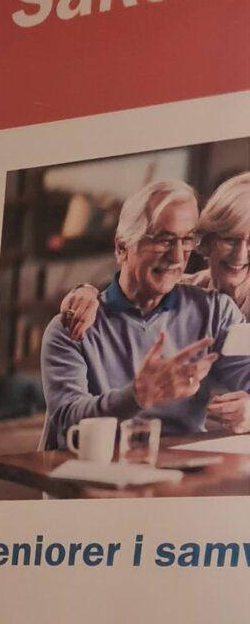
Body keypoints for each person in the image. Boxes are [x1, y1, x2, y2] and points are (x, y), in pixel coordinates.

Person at [39, 178, 250, 451]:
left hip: (184, 469)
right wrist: (137, 395)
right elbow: (68, 420)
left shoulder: (216, 312)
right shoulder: (72, 325)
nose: (177, 257)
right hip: (101, 467)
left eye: (186, 240)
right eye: (163, 240)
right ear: (121, 248)